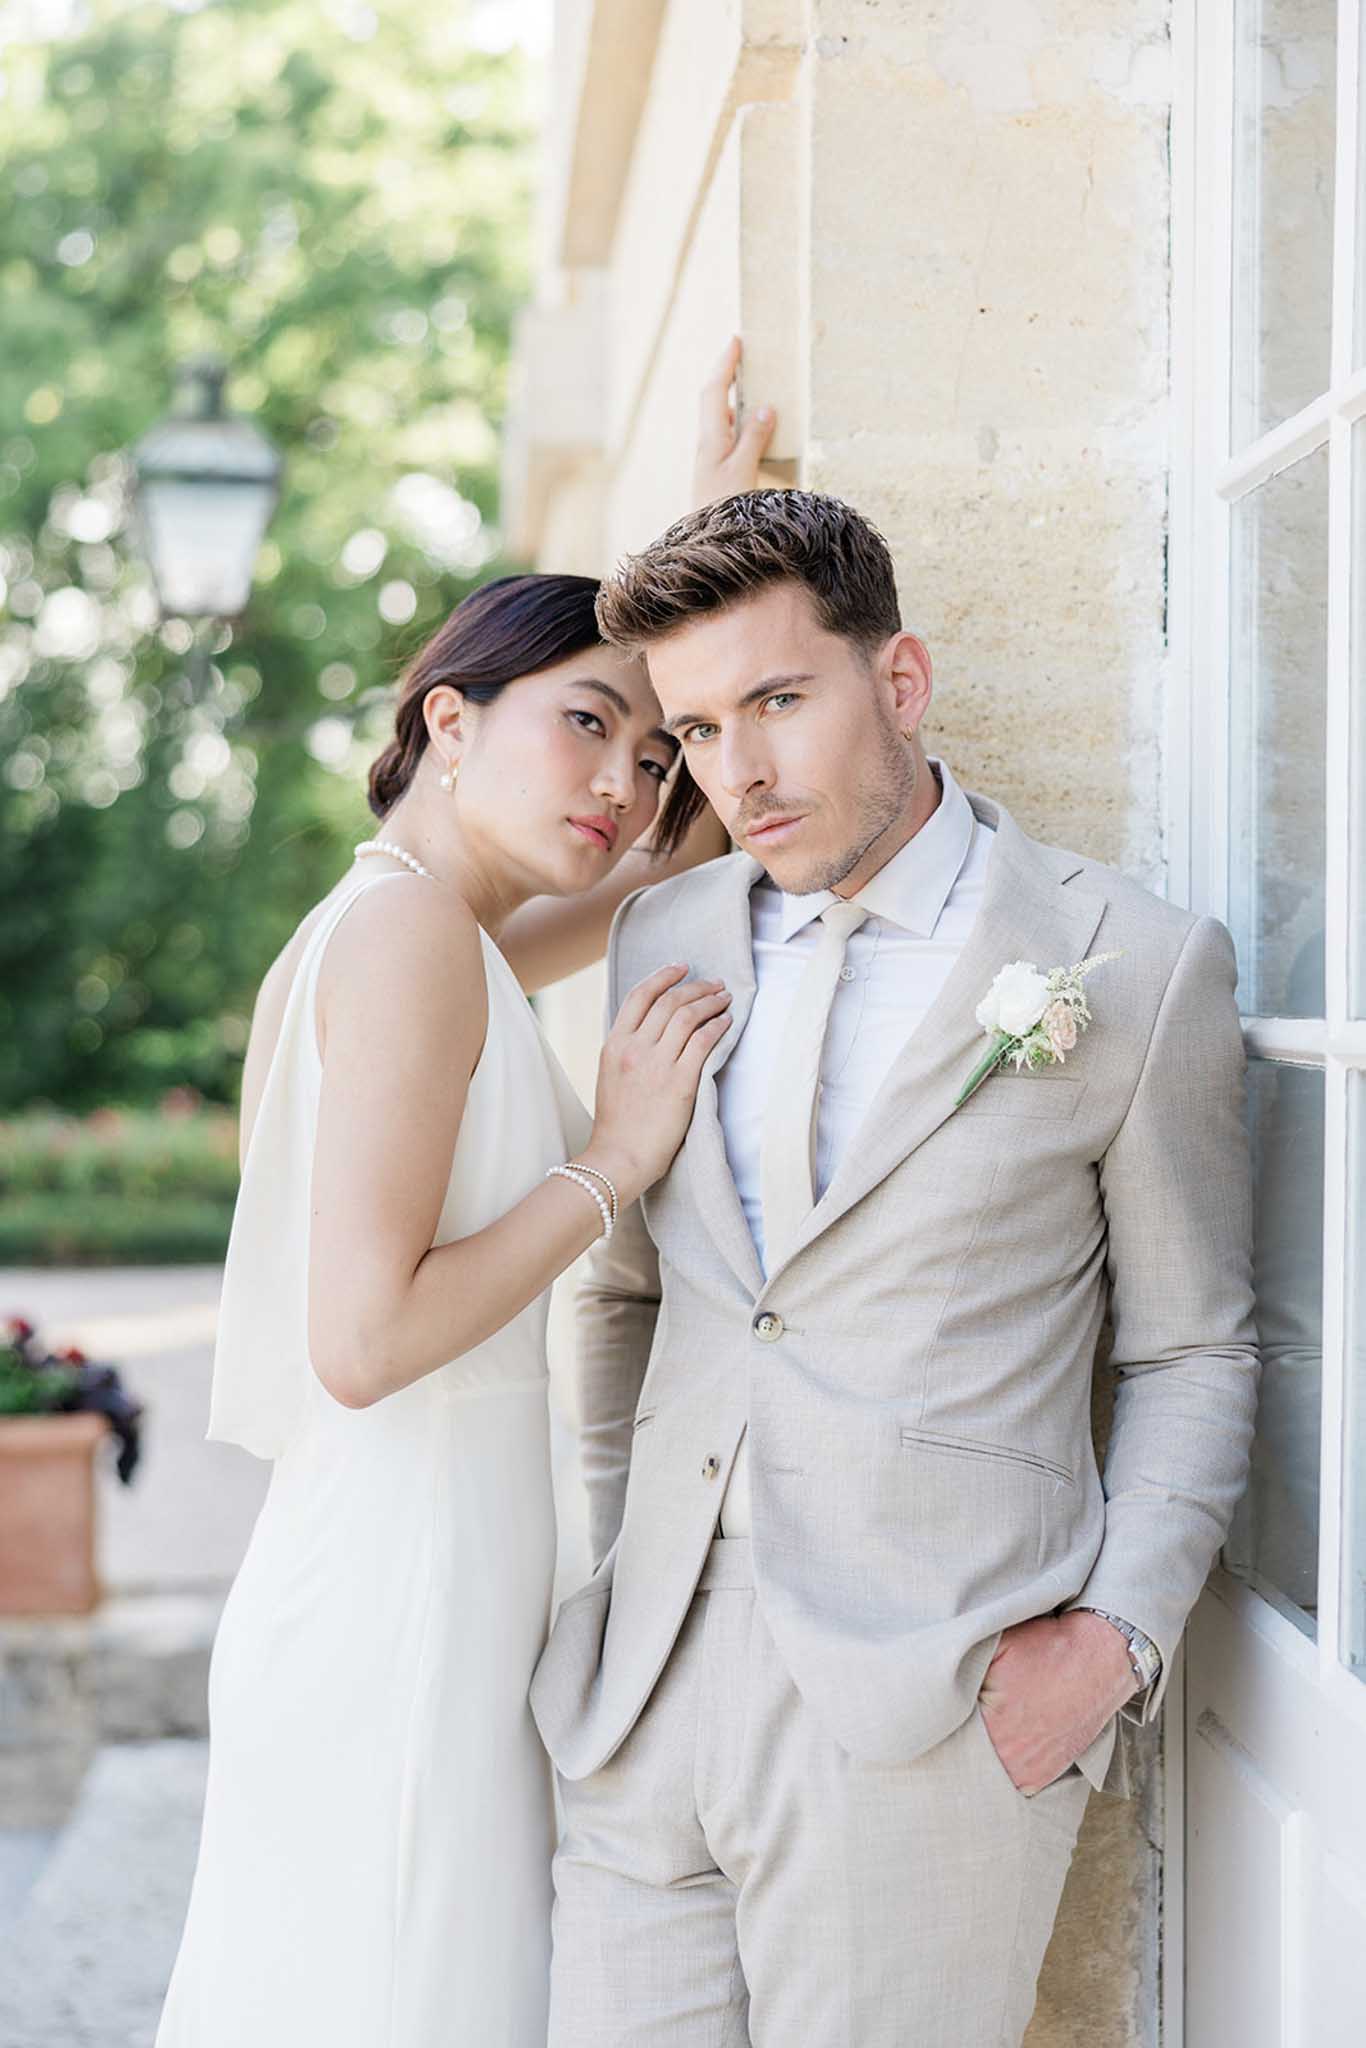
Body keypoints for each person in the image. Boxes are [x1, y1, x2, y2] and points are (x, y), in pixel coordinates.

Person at [532, 488, 1260, 2046]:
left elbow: (1192, 1348)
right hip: (641, 1686)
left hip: (925, 1706)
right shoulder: (663, 936)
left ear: (901, 681)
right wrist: (612, 1556)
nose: (737, 770)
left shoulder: (1127, 964)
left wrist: (1113, 1642)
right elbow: (630, 1294)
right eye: (698, 729)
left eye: (778, 703)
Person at [154, 352, 775, 2048]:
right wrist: (613, 1162)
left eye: (650, 748)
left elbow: (680, 851)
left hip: (428, 1570)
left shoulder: (437, 929)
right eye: (585, 724)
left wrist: (701, 555)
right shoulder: (413, 938)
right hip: (402, 1595)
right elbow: (363, 1342)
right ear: (447, 719)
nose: (626, 782)